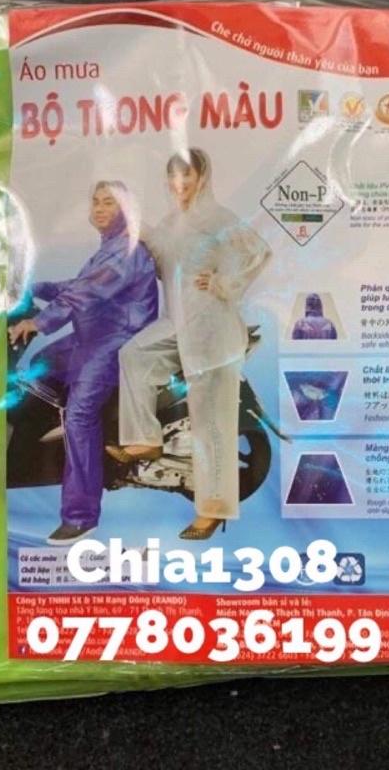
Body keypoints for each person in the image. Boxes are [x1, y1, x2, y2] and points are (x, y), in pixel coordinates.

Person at [107, 148, 271, 540]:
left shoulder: (218, 218)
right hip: (177, 324)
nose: (178, 185)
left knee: (211, 423)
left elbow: (259, 253)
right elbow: (161, 253)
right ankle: (145, 440)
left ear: (202, 178)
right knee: (134, 355)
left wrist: (223, 283)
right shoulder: (172, 223)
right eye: (173, 177)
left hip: (213, 330)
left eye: (186, 177)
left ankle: (213, 511)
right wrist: (133, 222)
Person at [9, 181, 158, 545]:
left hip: (117, 340)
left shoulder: (126, 250)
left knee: (79, 414)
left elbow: (86, 292)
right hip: (91, 337)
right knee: (40, 366)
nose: (100, 209)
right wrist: (34, 289)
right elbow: (79, 284)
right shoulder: (108, 248)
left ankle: (80, 517)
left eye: (109, 203)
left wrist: (38, 322)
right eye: (96, 202)